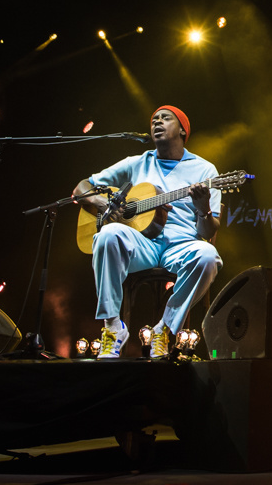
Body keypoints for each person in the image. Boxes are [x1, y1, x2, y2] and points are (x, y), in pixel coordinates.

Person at [72, 105, 222, 358]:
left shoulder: (205, 171)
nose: (157, 122)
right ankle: (112, 326)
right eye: (154, 120)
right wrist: (101, 202)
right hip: (142, 243)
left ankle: (163, 328)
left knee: (208, 256)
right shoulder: (136, 163)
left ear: (183, 130)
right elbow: (81, 188)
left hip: (182, 245)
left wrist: (203, 207)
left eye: (165, 118)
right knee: (107, 235)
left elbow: (207, 231)